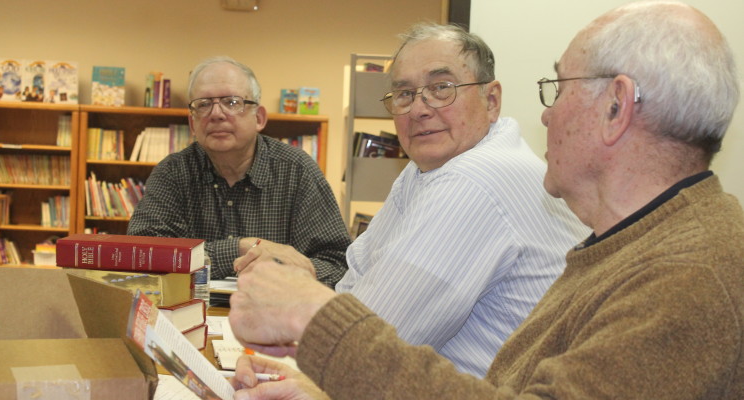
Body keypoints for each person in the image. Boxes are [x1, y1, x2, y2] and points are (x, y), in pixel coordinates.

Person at [228, 1, 744, 399]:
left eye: (558, 88)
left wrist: (314, 314)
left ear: (617, 106)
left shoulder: (688, 272)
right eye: (404, 95)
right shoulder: (641, 243)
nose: (546, 116)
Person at [235, 23, 587, 378]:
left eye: (441, 88)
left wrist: (298, 294)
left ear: (491, 100)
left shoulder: (474, 179)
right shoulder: (425, 169)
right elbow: (356, 278)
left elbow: (364, 346)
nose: (419, 108)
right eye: (404, 94)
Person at [127, 56, 351, 288]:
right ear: (193, 124)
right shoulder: (173, 172)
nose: (216, 114)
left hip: (276, 313)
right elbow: (144, 253)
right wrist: (242, 247)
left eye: (232, 102)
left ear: (259, 118)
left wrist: (290, 267)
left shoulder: (297, 171)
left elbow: (338, 265)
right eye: (203, 104)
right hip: (191, 314)